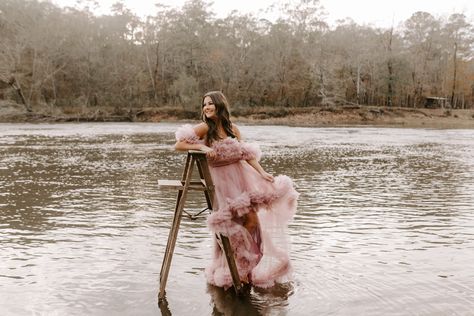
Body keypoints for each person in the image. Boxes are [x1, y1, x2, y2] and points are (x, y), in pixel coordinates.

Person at [174, 91, 298, 289]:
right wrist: (203, 148)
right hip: (221, 186)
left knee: (252, 223)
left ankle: (243, 266)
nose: (206, 107)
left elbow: (246, 155)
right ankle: (235, 267)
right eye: (204, 104)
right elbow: (179, 144)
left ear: (220, 105)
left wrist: (262, 172)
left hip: (240, 182)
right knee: (233, 227)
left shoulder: (233, 129)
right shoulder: (205, 128)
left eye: (210, 104)